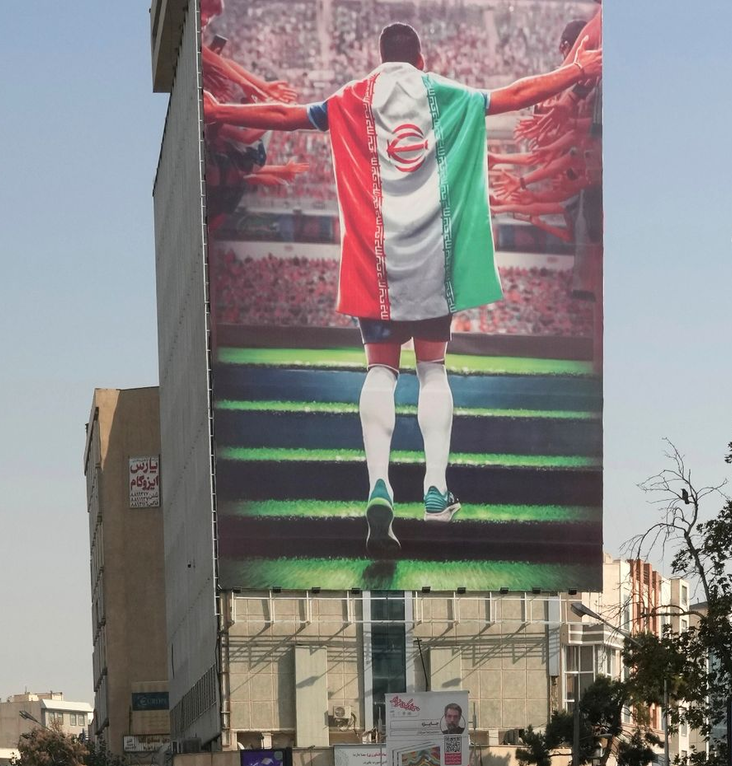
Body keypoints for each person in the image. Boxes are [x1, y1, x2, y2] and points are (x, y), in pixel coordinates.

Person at [203, 22, 602, 555]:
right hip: (434, 262)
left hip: (378, 262)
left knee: (380, 372)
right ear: (420, 56)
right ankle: (435, 488)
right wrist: (579, 69)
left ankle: (378, 484)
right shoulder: (445, 94)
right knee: (433, 370)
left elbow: (284, 117)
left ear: (380, 57)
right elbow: (519, 94)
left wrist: (217, 111)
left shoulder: (352, 98)